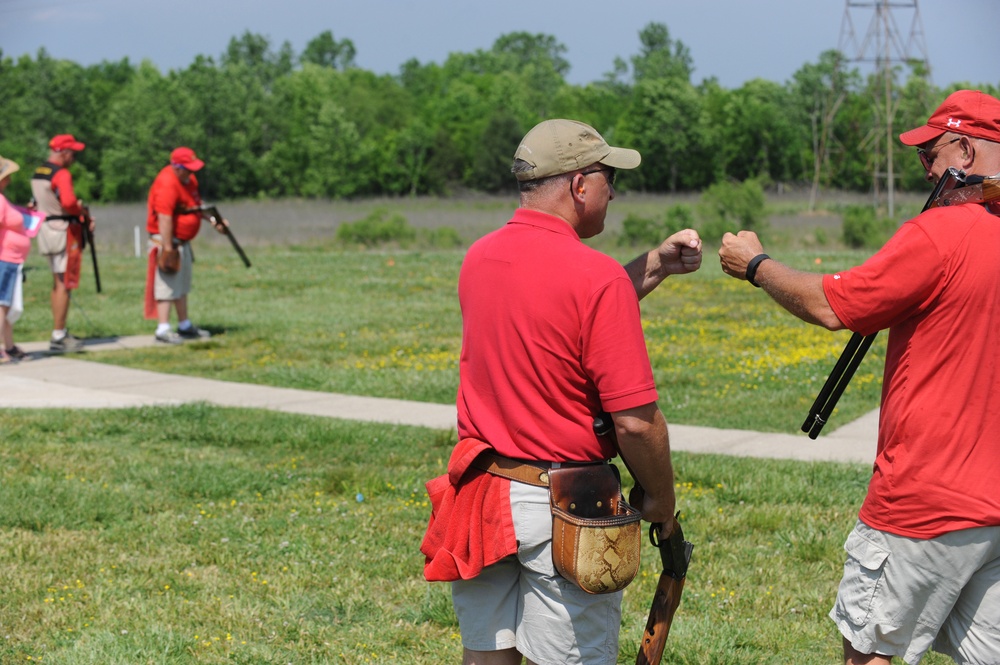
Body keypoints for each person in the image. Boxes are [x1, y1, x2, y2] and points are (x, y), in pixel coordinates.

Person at [718, 89, 1000, 665]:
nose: (923, 167)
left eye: (931, 154)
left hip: (922, 499)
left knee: (869, 652)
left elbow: (833, 306)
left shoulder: (939, 234)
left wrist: (755, 265)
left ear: (965, 152)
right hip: (992, 504)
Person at [421, 119, 703, 664]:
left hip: (483, 495)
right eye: (607, 178)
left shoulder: (480, 257)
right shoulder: (595, 278)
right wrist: (662, 499)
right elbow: (637, 423)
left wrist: (655, 266)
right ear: (578, 185)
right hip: (565, 508)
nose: (613, 192)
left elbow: (560, 304)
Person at [145, 146, 228, 344]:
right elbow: (164, 218)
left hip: (182, 242)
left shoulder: (189, 180)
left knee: (181, 285)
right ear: (177, 167)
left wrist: (215, 220)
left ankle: (184, 325)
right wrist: (168, 248)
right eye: (188, 169)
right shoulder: (167, 184)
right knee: (166, 284)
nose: (192, 173)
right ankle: (163, 328)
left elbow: (195, 206)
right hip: (167, 241)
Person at [31, 133, 92, 352]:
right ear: (64, 152)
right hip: (63, 230)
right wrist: (80, 210)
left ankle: (60, 331)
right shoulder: (62, 174)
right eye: (72, 153)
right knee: (65, 282)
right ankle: (58, 335)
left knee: (57, 282)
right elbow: (68, 202)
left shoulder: (39, 172)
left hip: (46, 230)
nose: (74, 157)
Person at [0, 155, 45, 364]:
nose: (8, 180)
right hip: (4, 259)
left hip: (11, 260)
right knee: (1, 305)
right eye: (6, 176)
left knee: (6, 306)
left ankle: (9, 345)